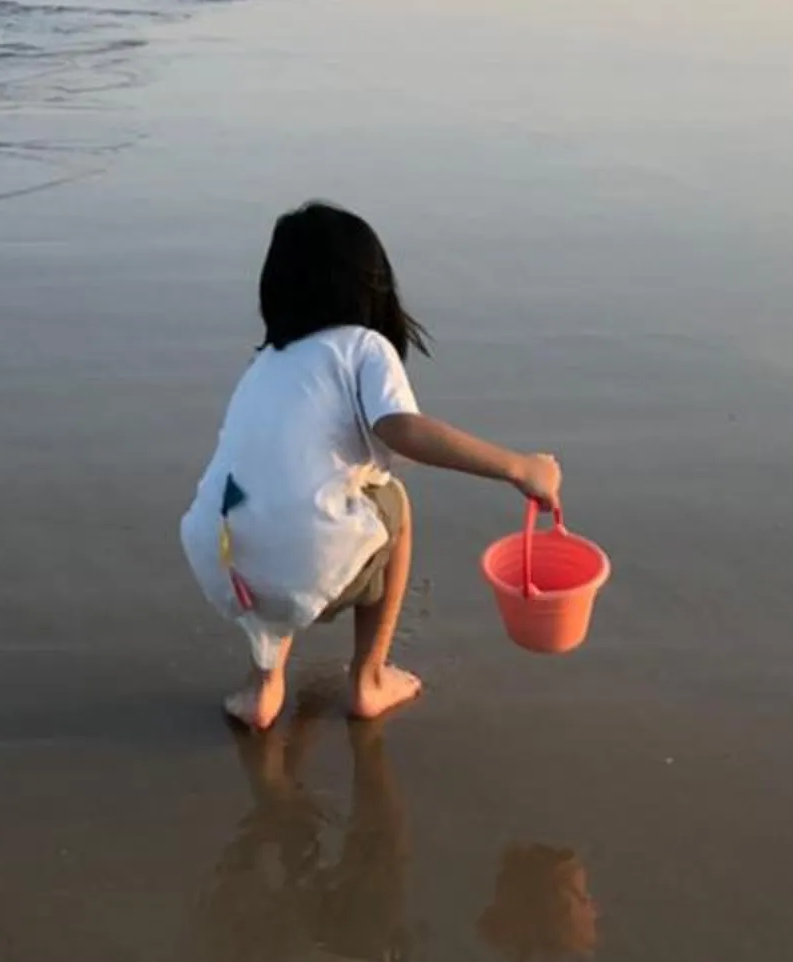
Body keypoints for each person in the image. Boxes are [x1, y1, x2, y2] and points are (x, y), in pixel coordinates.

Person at [180, 201, 561, 731]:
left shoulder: (265, 365)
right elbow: (401, 429)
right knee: (393, 504)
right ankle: (369, 679)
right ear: (371, 284)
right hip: (297, 557)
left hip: (221, 560)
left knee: (280, 502)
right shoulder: (363, 348)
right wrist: (517, 467)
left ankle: (263, 686)